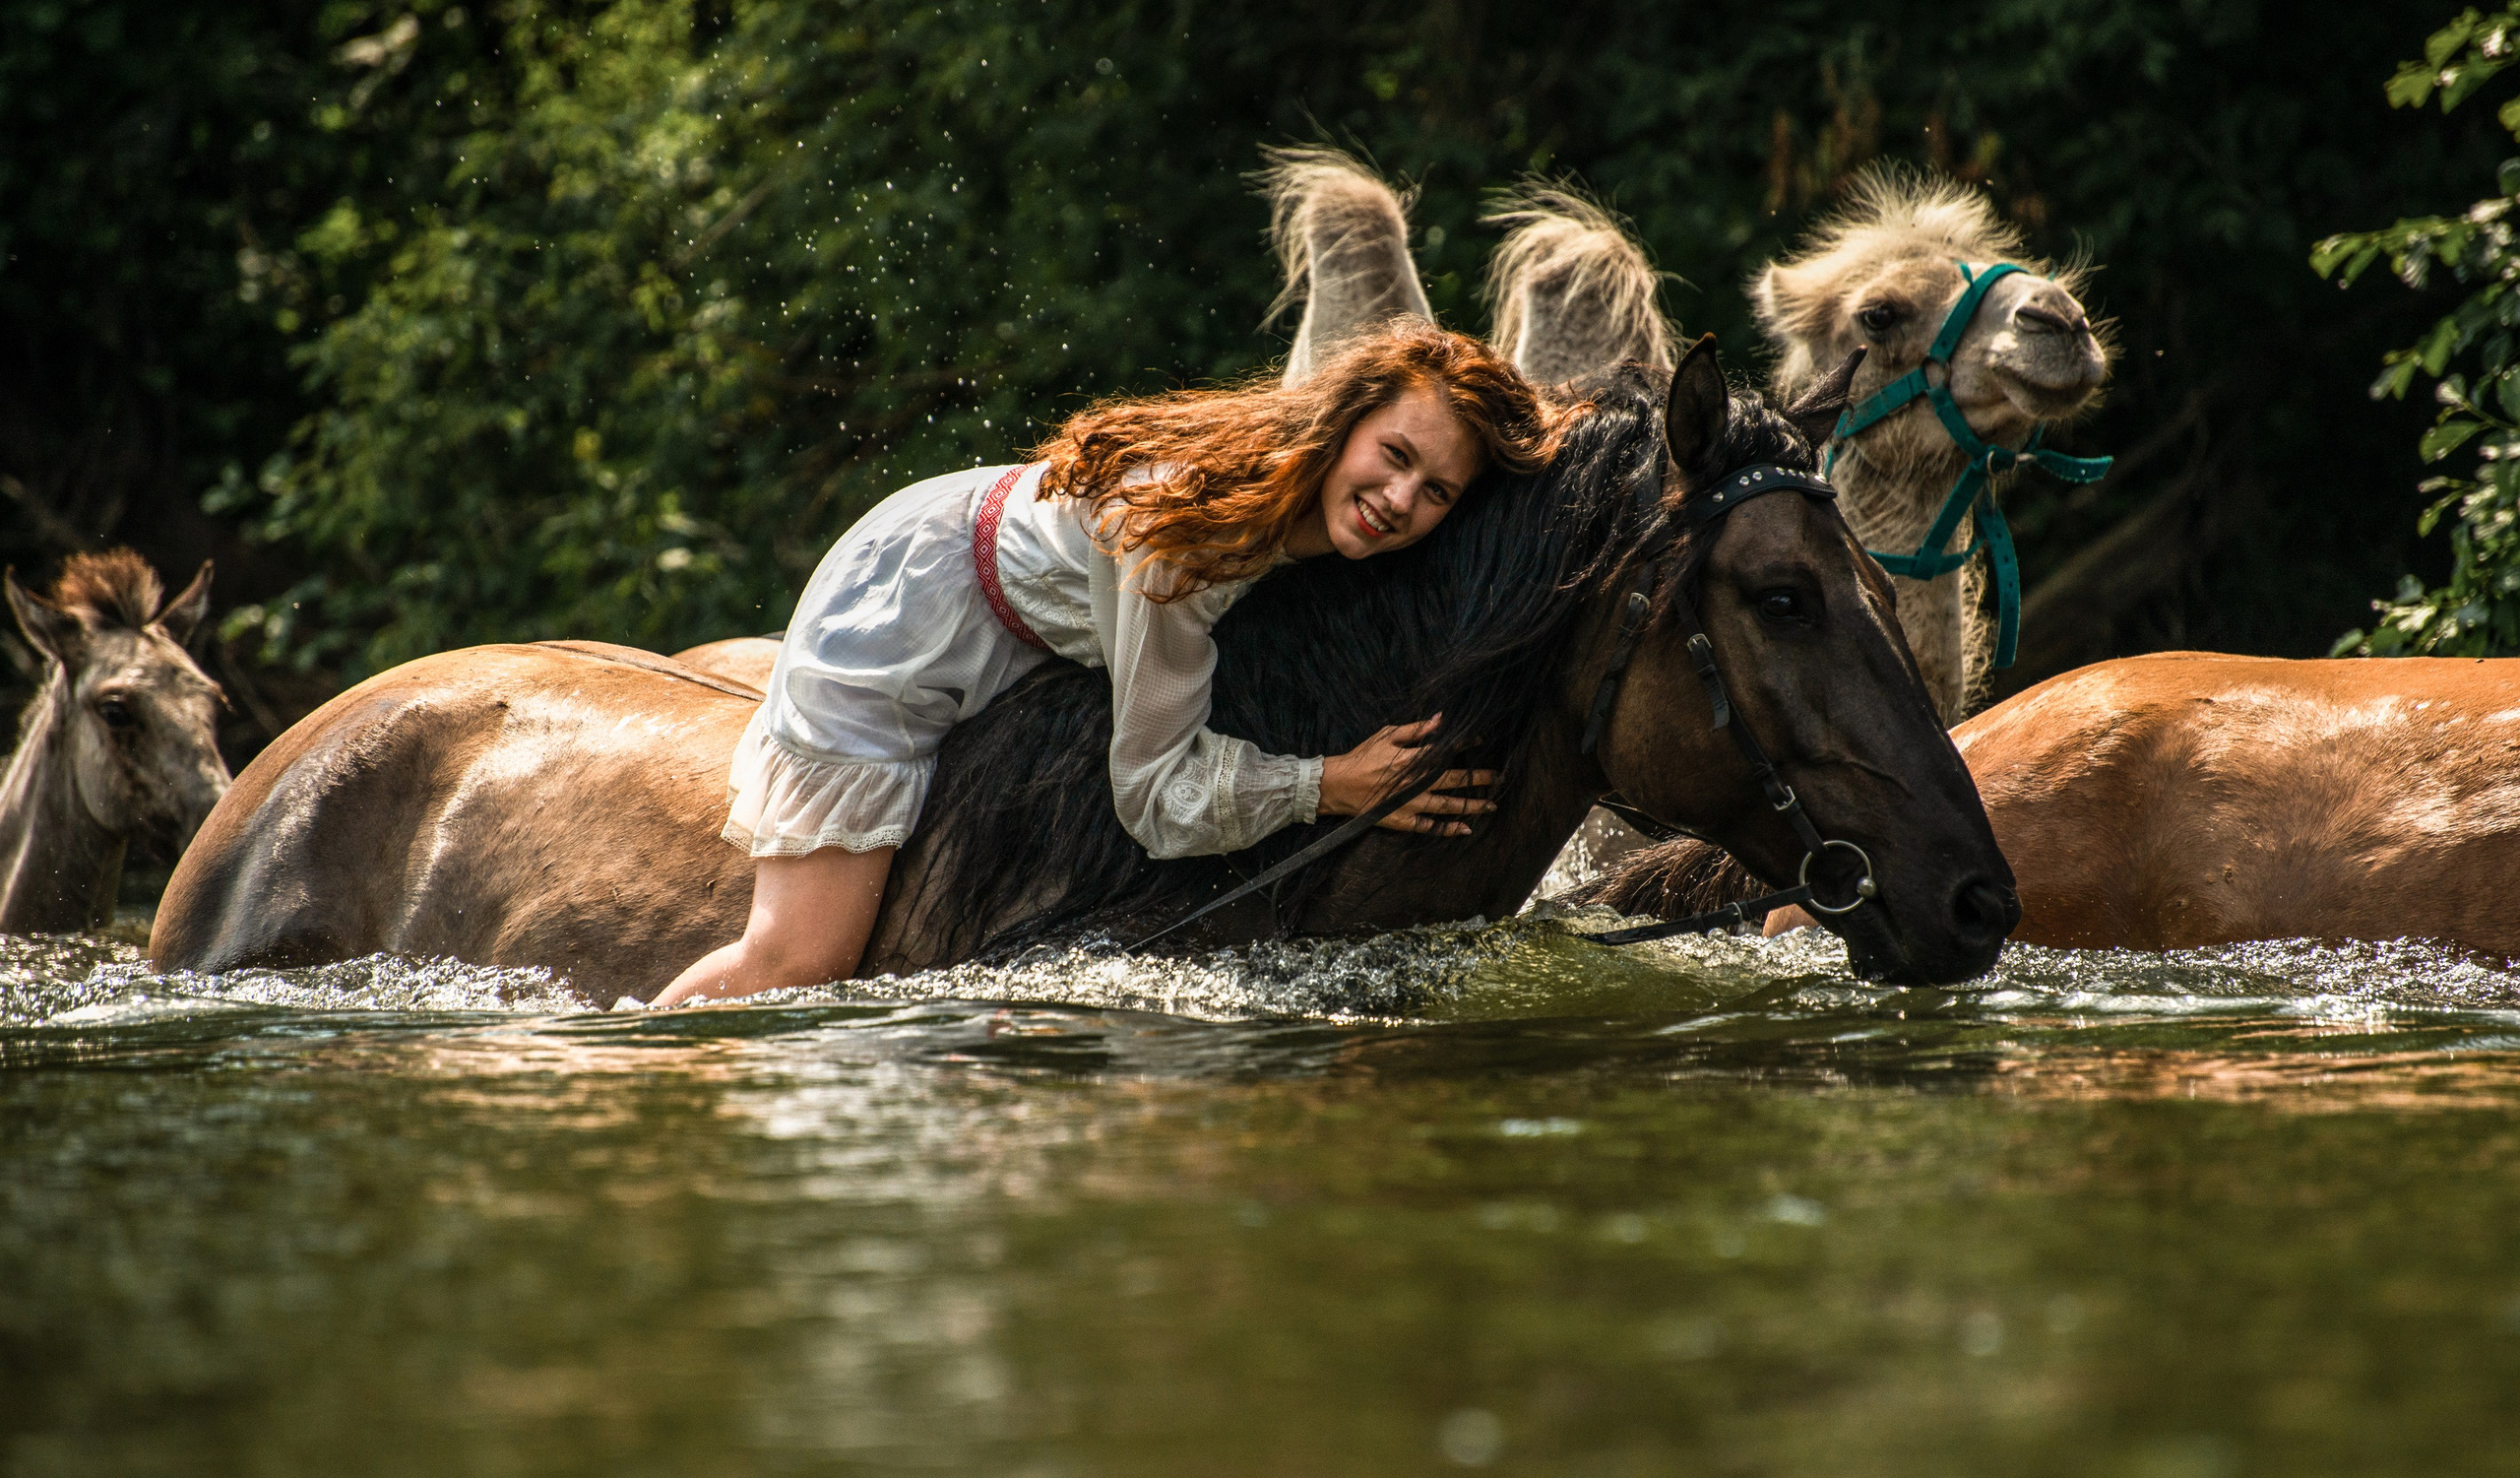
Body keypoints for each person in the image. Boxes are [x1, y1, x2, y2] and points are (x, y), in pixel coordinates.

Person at [653, 320, 1560, 1006]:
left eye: (1436, 489)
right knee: (802, 960)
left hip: (1014, 618)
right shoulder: (1187, 535)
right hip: (907, 614)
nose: (1400, 499)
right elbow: (1153, 795)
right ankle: (616, 1074)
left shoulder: (1312, 507)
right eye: (1393, 455)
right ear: (1345, 421)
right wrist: (1331, 783)